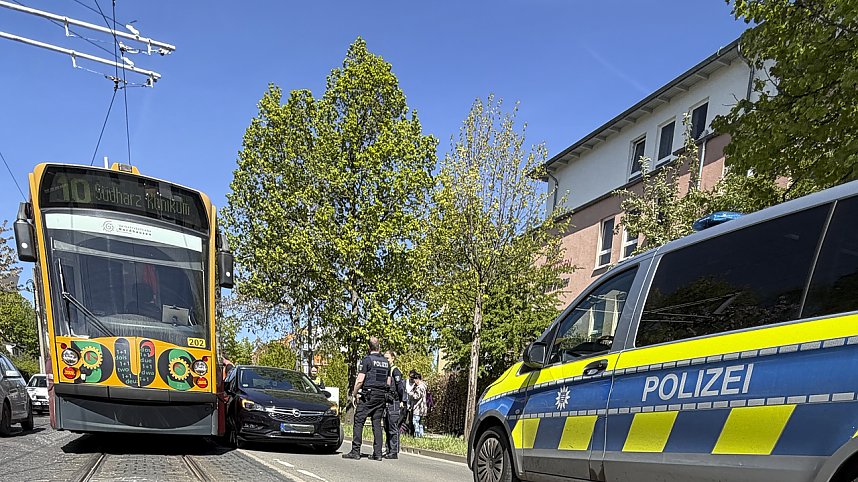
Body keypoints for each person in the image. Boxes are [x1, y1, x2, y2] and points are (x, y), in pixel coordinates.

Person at [342, 336, 391, 461]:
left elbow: (359, 380)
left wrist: (354, 394)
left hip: (368, 395)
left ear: (369, 348)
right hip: (381, 396)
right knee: (377, 424)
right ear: (379, 347)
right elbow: (388, 382)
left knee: (358, 421)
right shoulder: (386, 362)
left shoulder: (367, 360)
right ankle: (378, 454)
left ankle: (356, 451)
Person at [382, 350, 405, 459]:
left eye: (387, 358)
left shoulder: (395, 371)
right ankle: (388, 449)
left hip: (394, 402)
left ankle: (394, 451)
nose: (385, 360)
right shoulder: (386, 370)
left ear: (392, 358)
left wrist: (401, 400)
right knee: (386, 427)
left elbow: (400, 387)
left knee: (393, 427)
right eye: (384, 358)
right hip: (386, 402)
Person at [407, 372, 427, 438]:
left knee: (415, 422)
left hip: (418, 408)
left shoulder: (420, 387)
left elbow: (417, 396)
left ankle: (417, 436)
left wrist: (411, 394)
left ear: (417, 379)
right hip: (423, 408)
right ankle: (421, 436)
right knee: (421, 423)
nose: (414, 381)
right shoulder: (424, 386)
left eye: (414, 380)